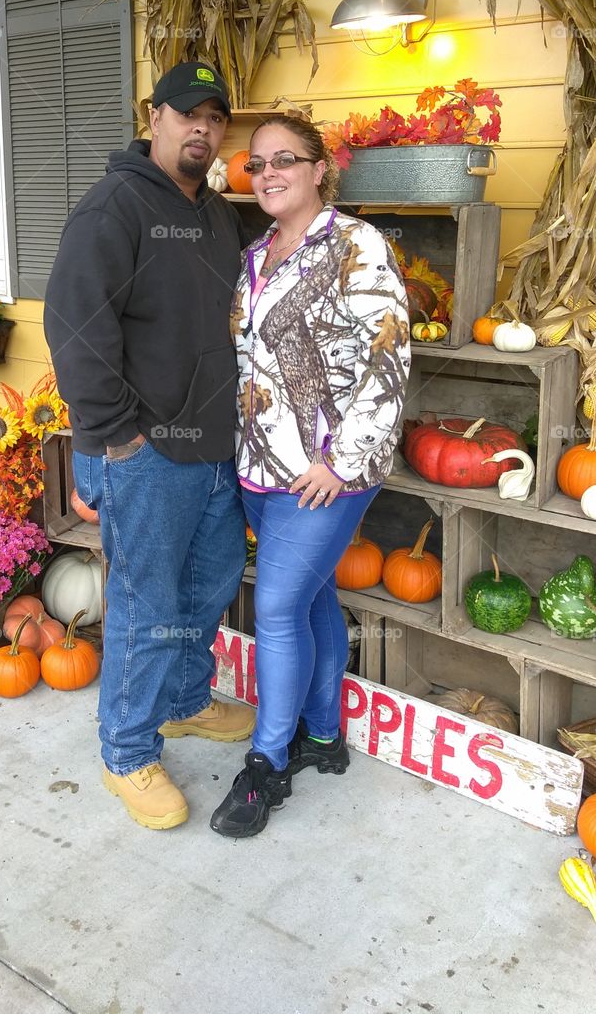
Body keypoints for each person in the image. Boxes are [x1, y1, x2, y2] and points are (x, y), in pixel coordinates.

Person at [44, 62, 255, 831]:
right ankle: (126, 752)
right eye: (186, 113)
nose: (201, 127)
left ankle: (182, 703)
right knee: (145, 601)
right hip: (145, 453)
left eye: (214, 118)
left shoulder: (216, 214)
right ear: (154, 116)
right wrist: (117, 440)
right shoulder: (114, 208)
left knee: (208, 585)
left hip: (211, 446)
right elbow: (73, 327)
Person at [210, 115, 411, 838]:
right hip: (261, 466)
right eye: (256, 162)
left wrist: (342, 460)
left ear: (319, 169)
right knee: (311, 598)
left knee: (273, 610)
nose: (266, 174)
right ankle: (323, 735)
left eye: (283, 160)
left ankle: (266, 766)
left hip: (325, 475)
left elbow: (386, 360)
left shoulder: (357, 246)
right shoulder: (257, 253)